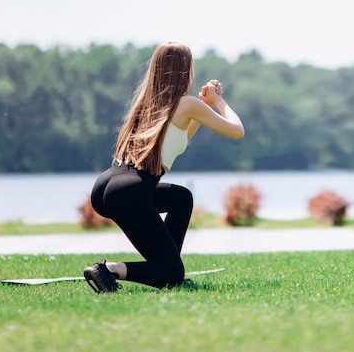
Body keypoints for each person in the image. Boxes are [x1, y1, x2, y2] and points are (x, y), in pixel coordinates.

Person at [84, 42, 245, 292]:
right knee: (172, 274)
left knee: (181, 198)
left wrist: (205, 108)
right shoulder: (187, 103)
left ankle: (166, 268)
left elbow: (181, 139)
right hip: (131, 191)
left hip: (108, 185)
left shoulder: (147, 103)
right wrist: (219, 101)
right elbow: (237, 131)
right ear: (185, 71)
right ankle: (109, 270)